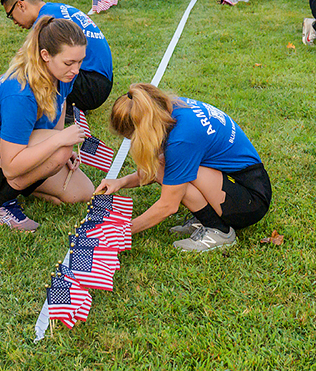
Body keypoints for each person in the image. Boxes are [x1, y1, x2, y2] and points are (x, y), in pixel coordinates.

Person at [0, 17, 94, 232]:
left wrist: (56, 143)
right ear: (45, 55)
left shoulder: (63, 73)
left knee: (82, 192)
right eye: (69, 63)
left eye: (80, 61)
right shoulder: (21, 93)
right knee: (59, 150)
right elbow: (11, 166)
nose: (76, 69)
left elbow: (61, 102)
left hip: (9, 143)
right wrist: (58, 142)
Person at [95, 84, 271, 252]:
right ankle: (207, 217)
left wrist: (123, 232)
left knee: (174, 172)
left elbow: (168, 206)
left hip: (250, 202)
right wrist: (120, 182)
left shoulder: (182, 140)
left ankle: (219, 230)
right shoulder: (173, 108)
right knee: (167, 166)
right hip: (245, 184)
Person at [0, 0, 115, 112]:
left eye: (11, 15)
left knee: (40, 61)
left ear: (21, 5)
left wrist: (4, 83)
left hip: (91, 87)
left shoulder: (46, 22)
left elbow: (28, 60)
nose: (14, 21)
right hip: (101, 80)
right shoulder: (55, 9)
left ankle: (59, 108)